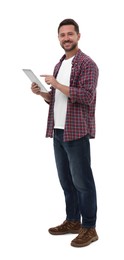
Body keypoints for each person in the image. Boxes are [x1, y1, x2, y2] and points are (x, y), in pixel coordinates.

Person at [31, 18, 99, 247]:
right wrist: (43, 93)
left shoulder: (87, 64)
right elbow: (58, 100)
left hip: (77, 132)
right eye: (62, 35)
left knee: (83, 183)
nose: (66, 38)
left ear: (78, 36)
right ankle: (73, 221)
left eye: (70, 34)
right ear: (58, 38)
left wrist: (57, 84)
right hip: (58, 131)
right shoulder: (60, 64)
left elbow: (86, 96)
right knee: (66, 181)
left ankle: (89, 227)